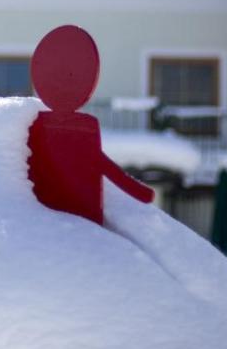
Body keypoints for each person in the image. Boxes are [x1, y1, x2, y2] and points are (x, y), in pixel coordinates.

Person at [26, 25, 154, 224]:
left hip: (45, 219)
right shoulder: (83, 128)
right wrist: (140, 192)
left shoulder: (37, 125)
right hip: (81, 219)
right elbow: (102, 164)